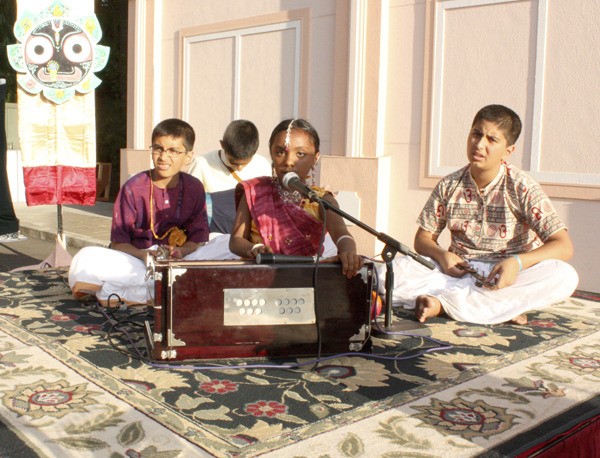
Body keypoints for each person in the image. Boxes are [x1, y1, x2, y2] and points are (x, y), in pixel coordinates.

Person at [380, 104, 578, 325]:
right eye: (476, 134)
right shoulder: (449, 184)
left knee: (564, 276)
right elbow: (422, 239)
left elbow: (563, 245)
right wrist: (442, 256)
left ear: (508, 150)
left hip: (506, 277)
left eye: (492, 140)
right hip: (457, 272)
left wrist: (517, 263)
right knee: (388, 273)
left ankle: (443, 304)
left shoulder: (522, 186)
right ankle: (495, 306)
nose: (479, 144)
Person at [68, 118, 210, 306]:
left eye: (173, 151)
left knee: (223, 243)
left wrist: (181, 251)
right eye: (158, 148)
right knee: (86, 257)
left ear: (189, 156)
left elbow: (199, 239)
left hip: (179, 262)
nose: (163, 157)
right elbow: (118, 244)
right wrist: (144, 256)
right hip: (137, 262)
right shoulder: (133, 187)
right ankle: (165, 291)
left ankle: (128, 292)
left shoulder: (194, 187)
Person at [229, 118, 363, 278]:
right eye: (280, 152)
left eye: (300, 153)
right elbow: (236, 240)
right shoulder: (255, 191)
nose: (288, 162)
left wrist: (348, 252)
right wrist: (254, 248)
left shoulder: (320, 200)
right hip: (257, 277)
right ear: (271, 154)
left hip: (303, 278)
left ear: (315, 158)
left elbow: (341, 233)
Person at [187, 119, 271, 193]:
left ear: (255, 151)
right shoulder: (201, 164)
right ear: (222, 145)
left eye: (245, 164)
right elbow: (190, 201)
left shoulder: (263, 165)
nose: (239, 168)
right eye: (233, 162)